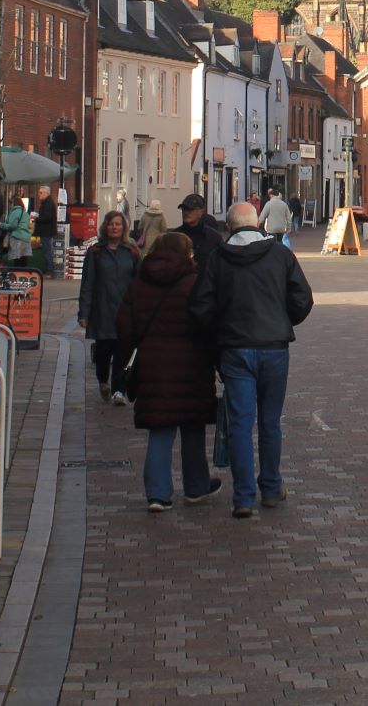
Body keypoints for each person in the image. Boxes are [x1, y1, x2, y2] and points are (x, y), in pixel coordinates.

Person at [186, 202, 316, 519]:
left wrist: (218, 332)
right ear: (256, 224)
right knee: (270, 422)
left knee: (241, 424)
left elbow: (200, 306)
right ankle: (270, 488)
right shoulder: (280, 255)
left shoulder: (219, 258)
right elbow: (303, 299)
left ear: (229, 228)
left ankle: (243, 496)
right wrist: (282, 320)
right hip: (273, 347)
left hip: (235, 348)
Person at [114, 232, 222, 511]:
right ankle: (196, 486)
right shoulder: (194, 283)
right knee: (192, 428)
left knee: (160, 429)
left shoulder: (139, 284)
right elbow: (209, 323)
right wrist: (216, 358)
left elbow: (124, 327)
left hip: (153, 365)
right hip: (192, 365)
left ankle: (158, 494)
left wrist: (128, 360)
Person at [78, 210, 141, 405]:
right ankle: (103, 380)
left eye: (118, 224)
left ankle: (119, 391)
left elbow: (139, 282)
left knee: (123, 352)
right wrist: (84, 312)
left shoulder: (131, 251)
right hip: (102, 310)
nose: (114, 227)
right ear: (105, 227)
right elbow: (87, 283)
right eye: (111, 224)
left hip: (125, 310)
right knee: (103, 353)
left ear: (124, 228)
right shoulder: (96, 251)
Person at [172, 193, 227, 266]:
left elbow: (221, 264)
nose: (186, 212)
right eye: (184, 209)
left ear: (201, 212)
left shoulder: (213, 237)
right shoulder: (174, 237)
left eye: (190, 209)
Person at [0, 189, 34, 268]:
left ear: (14, 203)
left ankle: (18, 276)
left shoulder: (15, 212)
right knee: (24, 260)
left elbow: (13, 226)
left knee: (17, 260)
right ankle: (24, 277)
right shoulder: (25, 213)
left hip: (17, 238)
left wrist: (1, 225)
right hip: (26, 238)